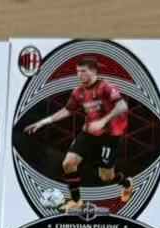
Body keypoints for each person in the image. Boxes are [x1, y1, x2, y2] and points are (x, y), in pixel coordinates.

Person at [23, 58, 132, 212]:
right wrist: (43, 122)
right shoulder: (78, 92)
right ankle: (76, 200)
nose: (79, 75)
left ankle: (126, 183)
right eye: (78, 72)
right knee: (68, 163)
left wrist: (102, 121)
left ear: (93, 71)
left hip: (109, 136)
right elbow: (67, 110)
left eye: (83, 71)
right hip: (88, 134)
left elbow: (122, 106)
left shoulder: (106, 87)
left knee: (106, 177)